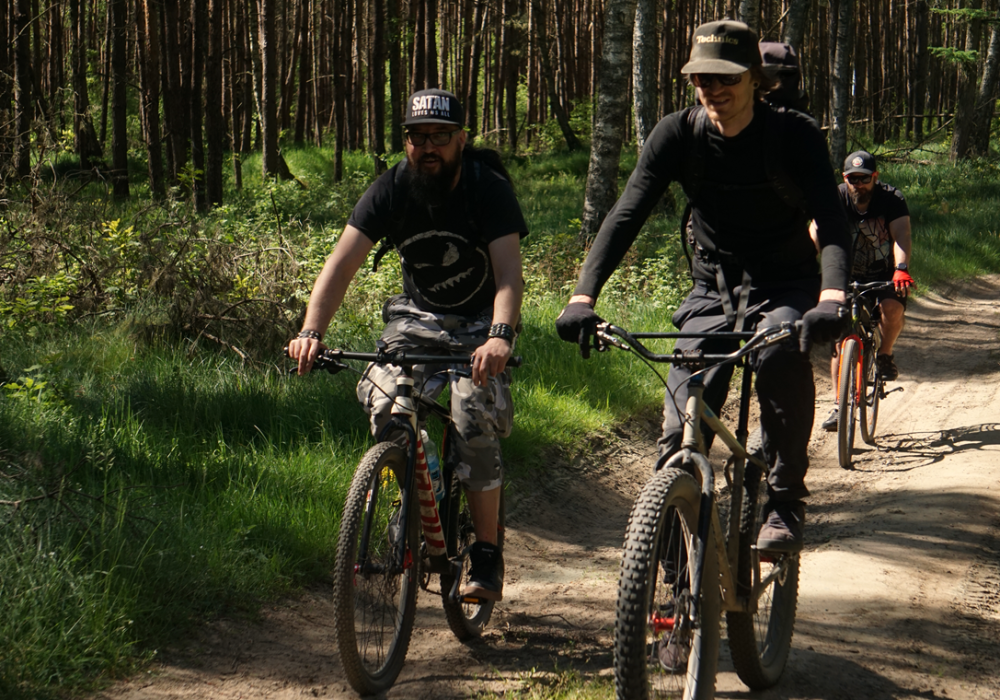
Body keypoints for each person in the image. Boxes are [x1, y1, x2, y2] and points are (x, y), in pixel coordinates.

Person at [555, 20, 851, 554]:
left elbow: (830, 220)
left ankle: (785, 499)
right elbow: (626, 214)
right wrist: (583, 297)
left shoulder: (794, 134)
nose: (713, 89)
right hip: (712, 289)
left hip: (786, 284)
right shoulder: (678, 134)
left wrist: (832, 295)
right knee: (679, 425)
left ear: (755, 78)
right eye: (701, 78)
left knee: (781, 351)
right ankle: (671, 537)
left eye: (726, 77)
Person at [287, 88, 528, 601]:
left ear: (462, 139)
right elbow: (341, 265)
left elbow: (509, 274)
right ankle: (421, 490)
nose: (429, 147)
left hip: (480, 322)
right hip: (416, 319)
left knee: (471, 411)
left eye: (441, 136)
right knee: (384, 400)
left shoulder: (487, 189)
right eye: (418, 138)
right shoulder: (392, 187)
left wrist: (500, 336)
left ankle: (486, 552)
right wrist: (311, 331)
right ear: (406, 143)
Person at [820, 150, 915, 431]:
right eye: (853, 179)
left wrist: (901, 268)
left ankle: (884, 354)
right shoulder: (836, 197)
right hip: (845, 274)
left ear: (875, 177)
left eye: (864, 179)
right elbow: (817, 227)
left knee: (892, 309)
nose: (858, 185)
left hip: (884, 273)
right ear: (844, 178)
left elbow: (902, 234)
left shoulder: (891, 199)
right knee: (840, 338)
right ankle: (839, 405)